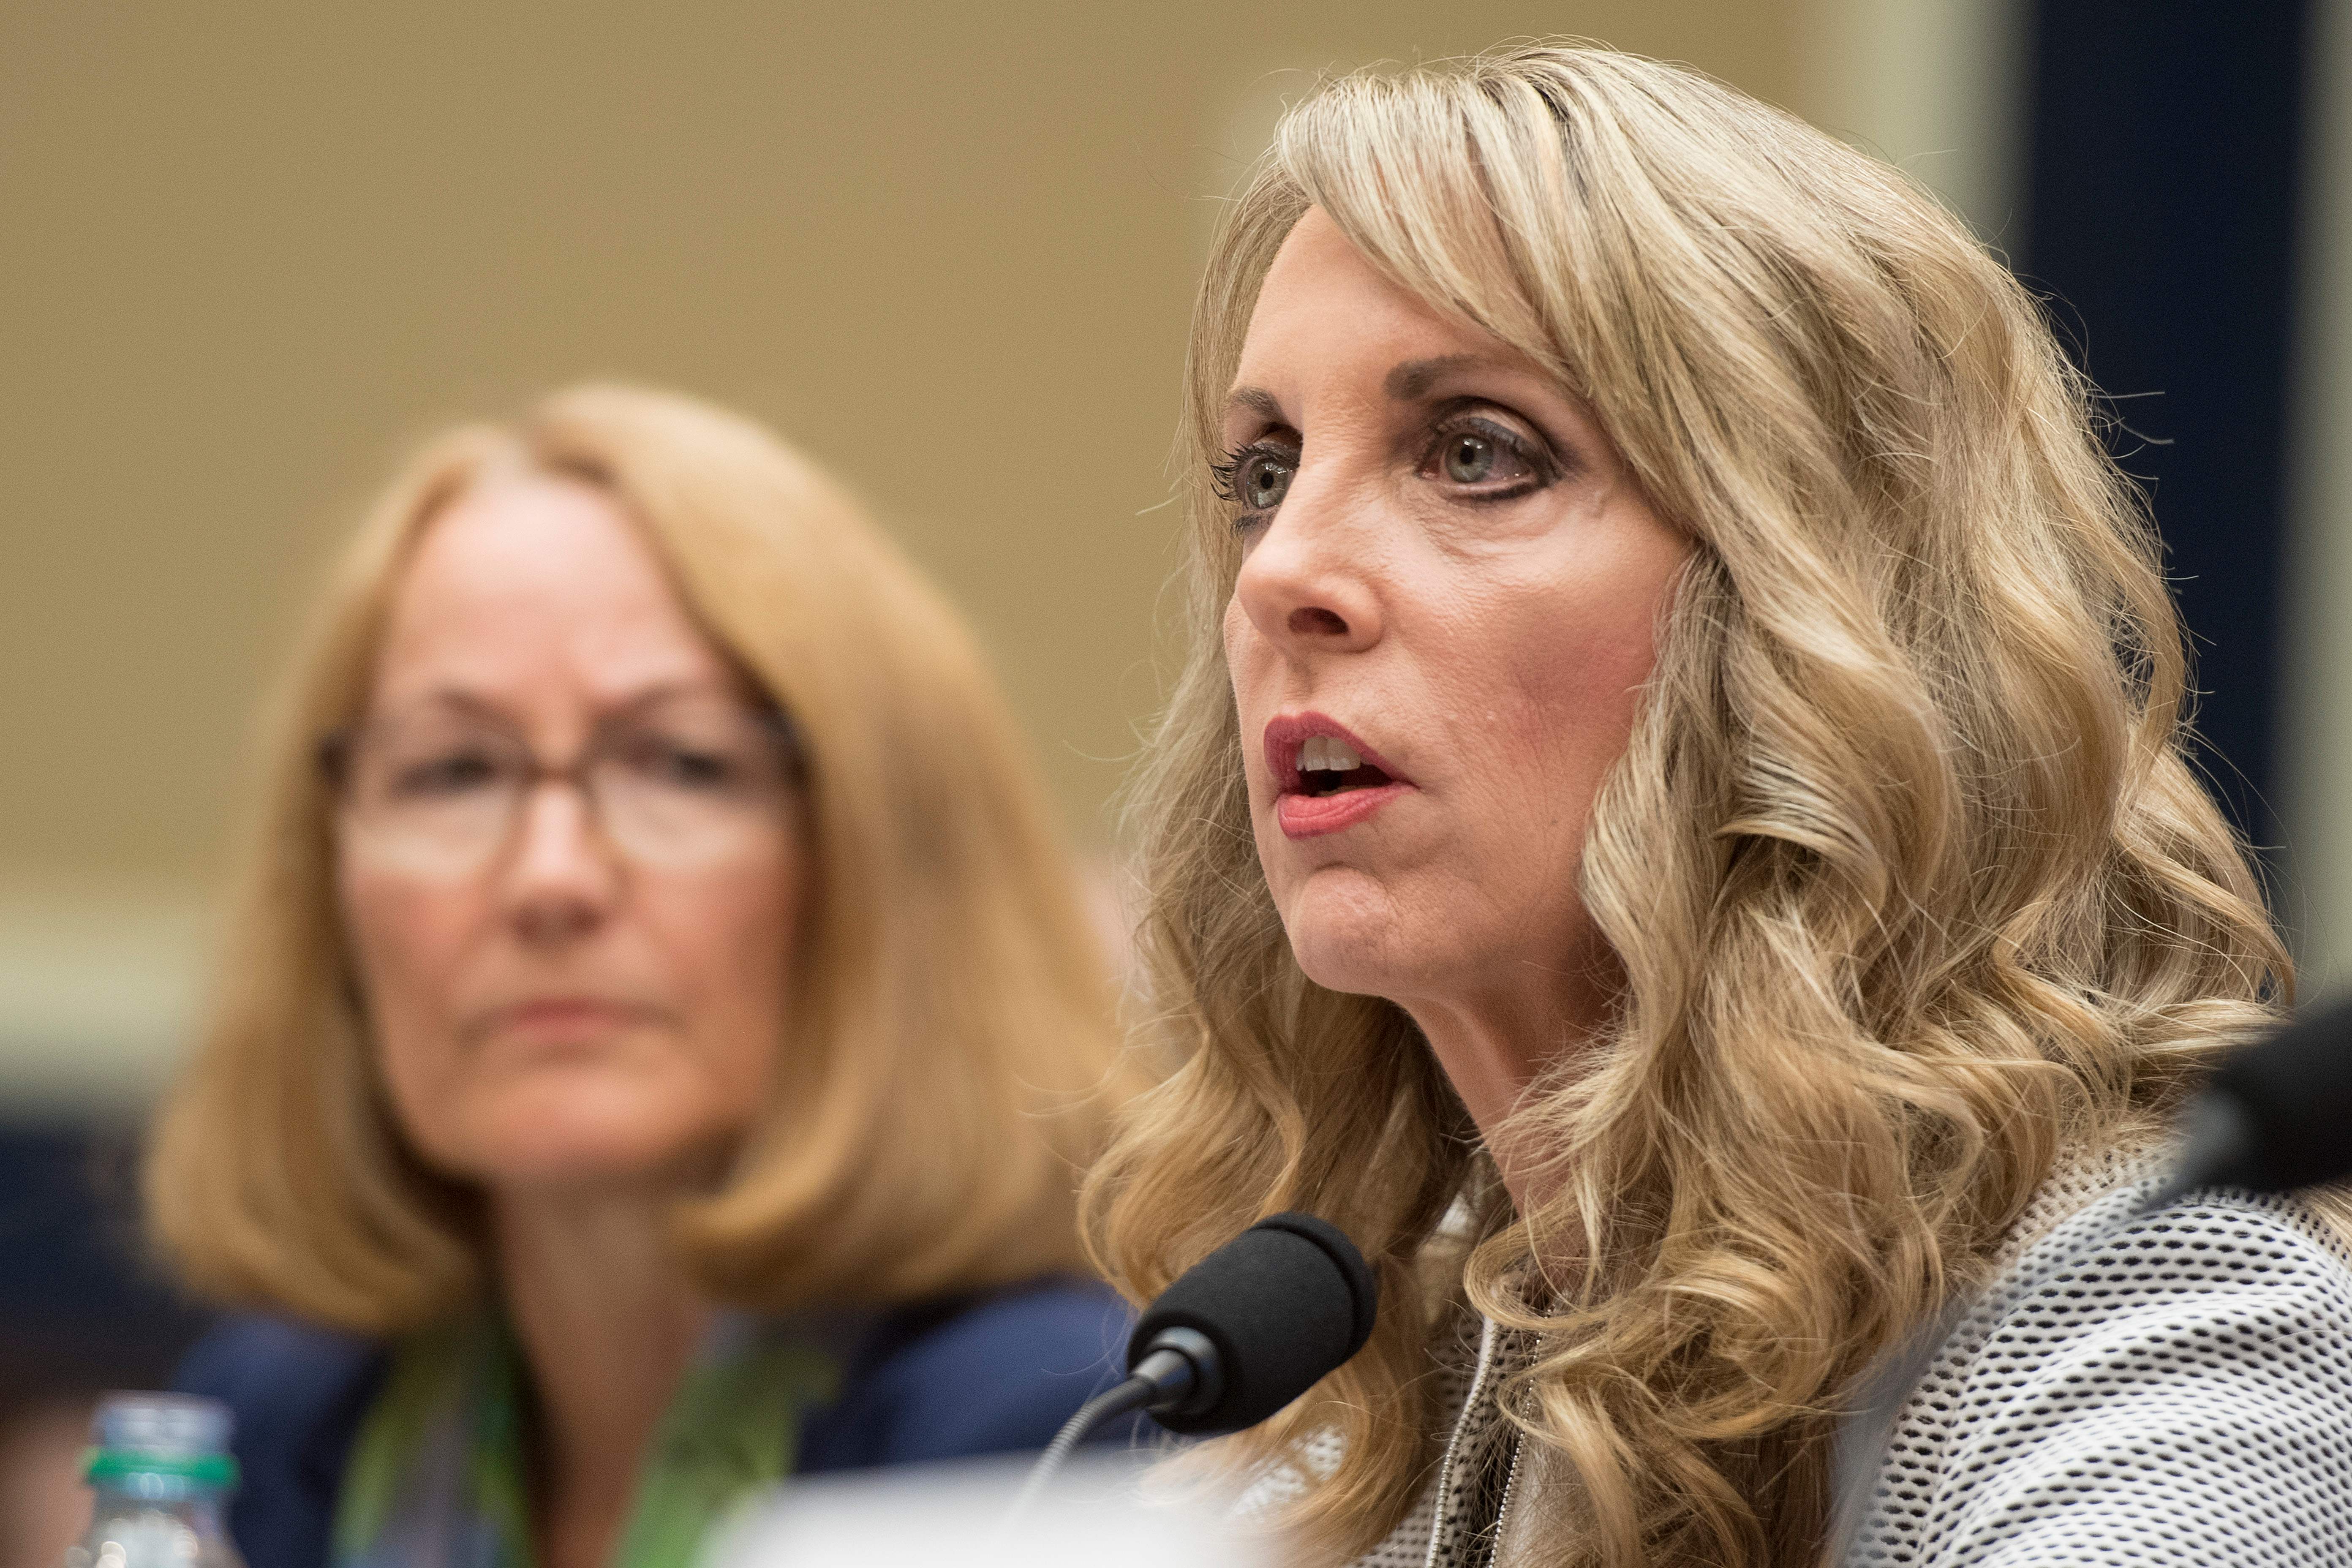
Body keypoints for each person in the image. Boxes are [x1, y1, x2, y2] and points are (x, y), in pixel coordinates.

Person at [1081, 43, 2352, 1568]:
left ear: (1812, 602)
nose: (1280, 570)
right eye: (1264, 471)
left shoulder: (2138, 1319)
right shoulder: (1370, 1370)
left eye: (1475, 453)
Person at [147, 384, 1135, 1568]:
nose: (549, 878)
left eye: (680, 763)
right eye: (454, 772)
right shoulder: (280, 1418)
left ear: (885, 877)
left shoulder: (1062, 1439)